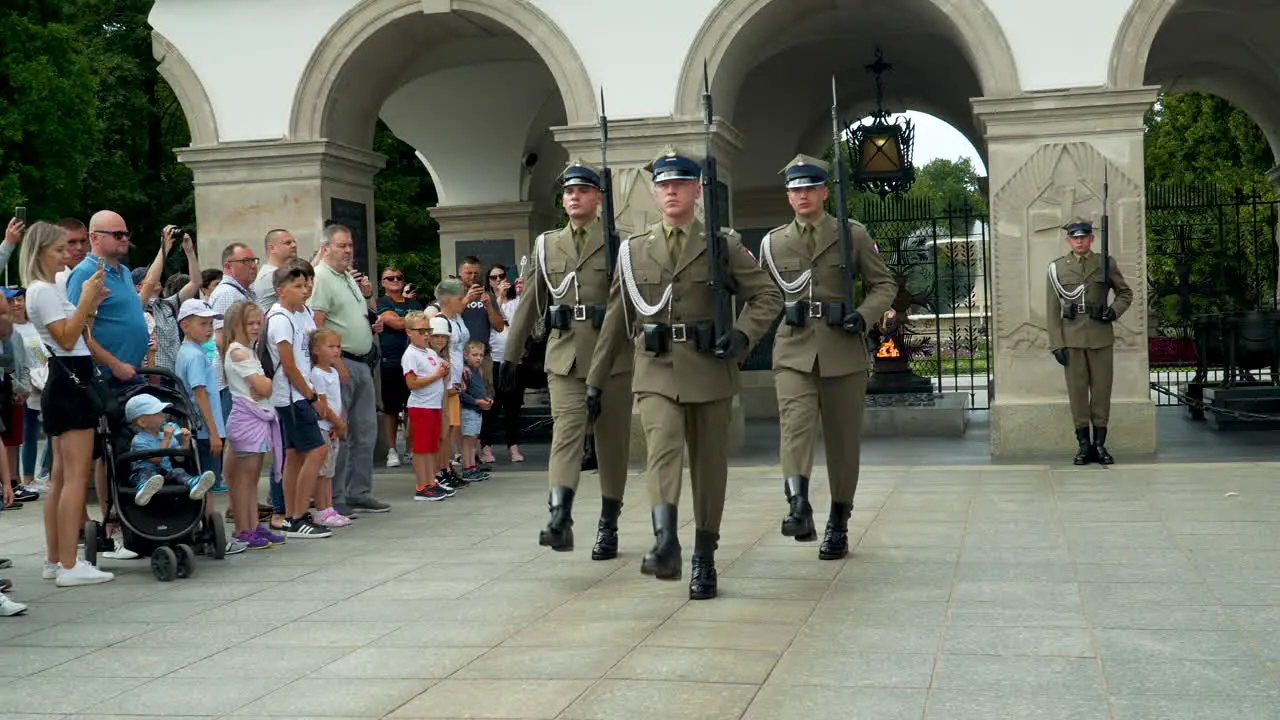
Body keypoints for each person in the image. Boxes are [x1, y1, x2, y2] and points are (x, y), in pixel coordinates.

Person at [586, 147, 782, 600]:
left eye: (680, 184)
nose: (671, 191)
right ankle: (666, 538)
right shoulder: (634, 251)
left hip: (710, 368)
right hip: (656, 369)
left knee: (710, 469)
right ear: (655, 194)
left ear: (697, 190)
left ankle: (705, 555)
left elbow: (767, 296)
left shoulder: (722, 244)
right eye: (663, 185)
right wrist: (596, 379)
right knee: (663, 448)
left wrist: (740, 337)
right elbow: (617, 319)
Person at [758, 154, 898, 560]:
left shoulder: (850, 234)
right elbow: (764, 296)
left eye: (809, 187)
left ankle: (839, 521)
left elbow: (883, 284)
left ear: (823, 191)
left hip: (842, 349)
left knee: (842, 443)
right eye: (795, 189)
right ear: (788, 197)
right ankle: (798, 505)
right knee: (795, 427)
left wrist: (864, 316)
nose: (803, 195)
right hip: (793, 348)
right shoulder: (772, 243)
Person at [503, 161, 634, 559]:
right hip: (565, 358)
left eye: (582, 191)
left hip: (611, 359)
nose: (574, 197)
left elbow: (636, 306)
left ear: (598, 197)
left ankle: (609, 524)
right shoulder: (547, 245)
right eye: (568, 192)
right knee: (566, 437)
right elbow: (530, 304)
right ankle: (559, 516)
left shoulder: (621, 243)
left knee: (612, 446)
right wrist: (510, 357)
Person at [20, 221, 113, 586]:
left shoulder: (43, 290)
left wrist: (90, 306)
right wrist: (87, 300)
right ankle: (70, 566)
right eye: (59, 248)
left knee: (60, 478)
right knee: (74, 477)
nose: (66, 254)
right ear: (41, 250)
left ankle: (55, 558)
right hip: (71, 380)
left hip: (65, 378)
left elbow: (75, 331)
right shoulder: (43, 291)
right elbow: (67, 336)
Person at [309, 224, 389, 516]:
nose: (348, 250)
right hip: (339, 364)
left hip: (362, 361)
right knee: (339, 431)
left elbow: (355, 314)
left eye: (350, 245)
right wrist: (335, 363)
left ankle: (360, 491)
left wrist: (372, 319)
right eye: (342, 245)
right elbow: (316, 324)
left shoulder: (348, 278)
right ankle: (337, 496)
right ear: (326, 248)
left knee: (365, 430)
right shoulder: (321, 278)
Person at [1046, 218, 1133, 465]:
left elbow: (1125, 293)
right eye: (1075, 237)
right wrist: (1056, 344)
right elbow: (1052, 309)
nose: (1080, 241)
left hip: (1100, 337)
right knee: (1077, 394)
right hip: (1072, 339)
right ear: (1068, 240)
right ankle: (1083, 445)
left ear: (1091, 238)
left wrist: (1112, 311)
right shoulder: (1057, 268)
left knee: (1102, 393)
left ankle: (1100, 444)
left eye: (1084, 236)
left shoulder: (1104, 263)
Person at [266, 261, 331, 538]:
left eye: (306, 285)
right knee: (317, 450)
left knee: (293, 456)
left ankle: (291, 516)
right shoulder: (280, 319)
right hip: (291, 397)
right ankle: (299, 515)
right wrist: (312, 396)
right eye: (298, 286)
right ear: (282, 290)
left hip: (299, 393)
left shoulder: (302, 312)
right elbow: (289, 366)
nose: (305, 291)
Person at [220, 300, 286, 549]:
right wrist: (266, 383)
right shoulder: (238, 351)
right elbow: (264, 387)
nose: (257, 327)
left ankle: (252, 524)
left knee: (251, 478)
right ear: (237, 325)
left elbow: (265, 386)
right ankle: (243, 528)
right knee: (244, 479)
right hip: (249, 419)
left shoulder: (247, 351)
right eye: (251, 323)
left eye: (259, 322)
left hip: (256, 418)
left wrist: (265, 385)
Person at [175, 299, 228, 498]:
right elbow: (200, 394)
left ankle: (205, 524)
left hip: (203, 429)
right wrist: (214, 433)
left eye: (211, 324)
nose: (209, 329)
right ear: (185, 326)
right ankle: (206, 525)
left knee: (204, 486)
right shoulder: (195, 356)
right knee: (206, 486)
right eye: (203, 324)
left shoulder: (189, 352)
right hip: (205, 431)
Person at [456, 255, 505, 464]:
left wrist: (488, 306)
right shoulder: (454, 292)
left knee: (485, 400)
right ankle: (463, 451)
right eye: (469, 272)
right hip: (459, 355)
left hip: (482, 356)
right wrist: (466, 299)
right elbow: (448, 315)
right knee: (461, 402)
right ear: (460, 273)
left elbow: (499, 326)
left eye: (476, 273)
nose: (473, 277)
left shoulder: (487, 295)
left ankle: (483, 446)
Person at [125, 395, 215, 506]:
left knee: (178, 471)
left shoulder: (165, 436)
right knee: (148, 473)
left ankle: (193, 484)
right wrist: (167, 439)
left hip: (165, 473)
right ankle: (143, 490)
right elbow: (156, 459)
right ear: (142, 422)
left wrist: (184, 442)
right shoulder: (139, 440)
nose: (164, 416)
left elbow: (179, 458)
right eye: (157, 414)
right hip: (143, 474)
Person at [376, 265, 423, 468]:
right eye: (390, 278)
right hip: (391, 361)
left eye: (398, 277)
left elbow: (422, 326)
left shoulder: (414, 302)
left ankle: (411, 449)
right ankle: (392, 450)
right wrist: (413, 322)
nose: (395, 281)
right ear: (383, 283)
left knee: (413, 407)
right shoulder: (381, 302)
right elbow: (394, 323)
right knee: (391, 409)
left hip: (415, 360)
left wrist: (408, 322)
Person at [403, 313, 453, 501]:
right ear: (409, 332)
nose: (426, 335)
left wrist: (444, 370)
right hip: (421, 406)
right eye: (421, 331)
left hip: (433, 406)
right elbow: (412, 383)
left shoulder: (430, 353)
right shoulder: (410, 355)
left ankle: (431, 481)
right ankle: (422, 485)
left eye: (428, 331)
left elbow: (438, 373)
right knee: (421, 448)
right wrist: (437, 375)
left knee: (432, 447)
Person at [481, 263, 523, 464]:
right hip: (493, 360)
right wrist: (496, 299)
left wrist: (521, 289)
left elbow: (523, 319)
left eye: (501, 276)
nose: (498, 280)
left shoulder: (516, 301)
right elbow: (492, 321)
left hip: (514, 359)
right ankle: (486, 446)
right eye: (493, 278)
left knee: (513, 407)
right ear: (488, 282)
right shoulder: (486, 302)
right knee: (492, 406)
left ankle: (513, 446)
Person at [310, 329, 351, 528]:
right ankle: (321, 509)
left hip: (333, 426)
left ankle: (329, 507)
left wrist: (340, 421)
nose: (336, 351)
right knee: (322, 471)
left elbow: (337, 401)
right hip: (323, 426)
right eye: (331, 347)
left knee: (329, 470)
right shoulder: (317, 374)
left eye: (338, 347)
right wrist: (338, 423)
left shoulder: (333, 372)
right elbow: (323, 404)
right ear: (316, 350)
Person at [458, 340, 492, 476]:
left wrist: (485, 399)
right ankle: (467, 468)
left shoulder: (478, 371)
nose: (479, 358)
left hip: (477, 411)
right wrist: (476, 401)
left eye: (481, 355)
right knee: (468, 441)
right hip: (469, 410)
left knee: (473, 442)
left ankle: (472, 465)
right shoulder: (466, 372)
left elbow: (479, 389)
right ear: (466, 356)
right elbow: (462, 394)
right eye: (475, 355)